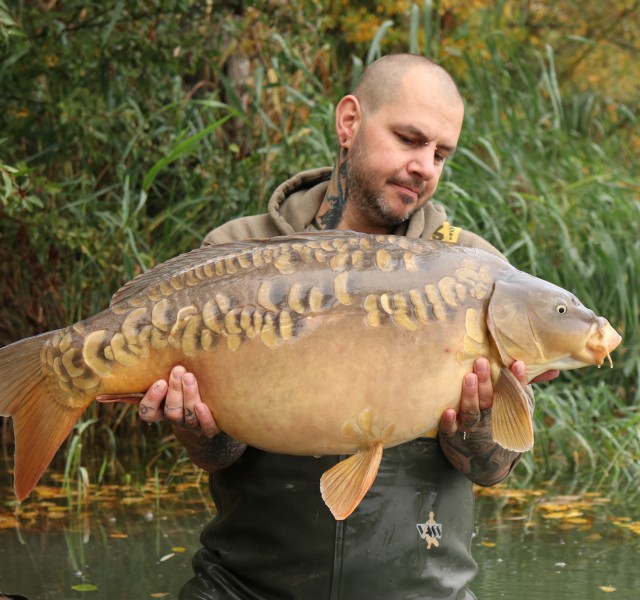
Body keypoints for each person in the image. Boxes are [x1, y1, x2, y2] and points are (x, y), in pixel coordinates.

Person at [138, 54, 558, 599]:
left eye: (440, 153)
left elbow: (493, 468)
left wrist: (475, 427)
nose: (425, 166)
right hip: (244, 588)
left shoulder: (477, 274)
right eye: (409, 139)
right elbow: (216, 457)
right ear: (349, 122)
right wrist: (199, 428)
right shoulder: (237, 255)